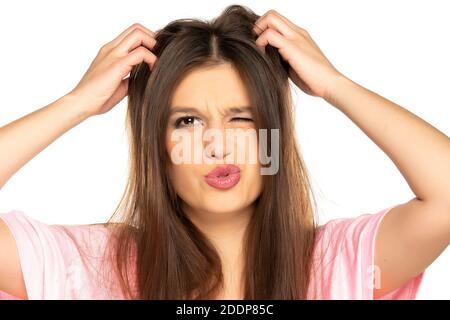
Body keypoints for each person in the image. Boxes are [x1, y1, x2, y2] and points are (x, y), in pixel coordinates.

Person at [0, 5, 448, 300]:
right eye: (187, 122)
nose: (217, 145)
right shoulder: (89, 267)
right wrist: (75, 104)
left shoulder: (337, 263)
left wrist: (336, 86)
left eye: (243, 119)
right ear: (157, 145)